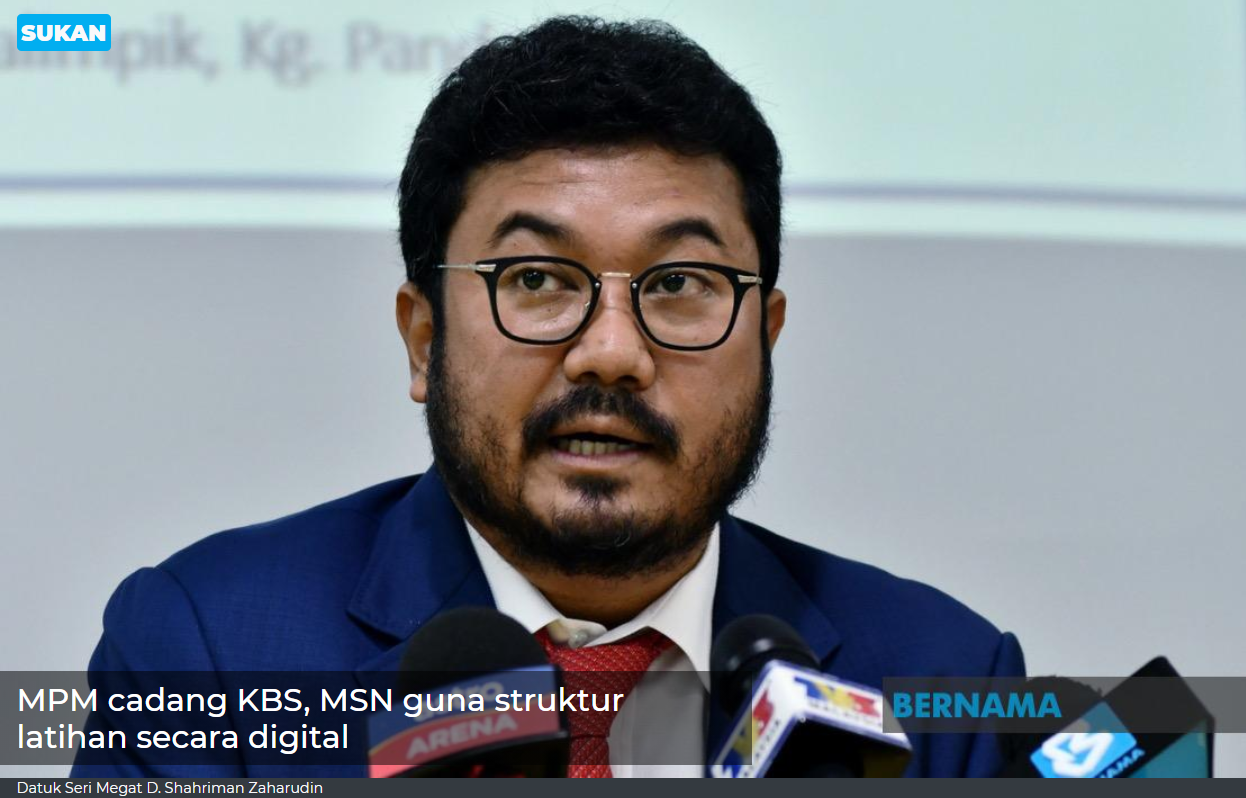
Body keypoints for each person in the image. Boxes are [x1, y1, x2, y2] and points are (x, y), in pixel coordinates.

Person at [72, 16, 1023, 778]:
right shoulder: (211, 652)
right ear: (424, 337)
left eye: (680, 284)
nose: (611, 354)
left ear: (765, 339)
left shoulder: (943, 681)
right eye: (535, 279)